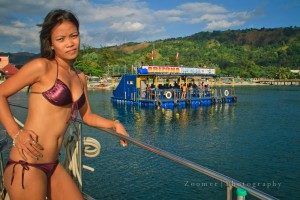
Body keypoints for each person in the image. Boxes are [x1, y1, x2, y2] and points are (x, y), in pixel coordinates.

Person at [0, 9, 129, 200]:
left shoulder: (80, 77)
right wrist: (16, 133)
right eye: (61, 39)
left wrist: (114, 124)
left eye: (74, 36)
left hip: (52, 164)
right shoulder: (41, 67)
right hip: (26, 165)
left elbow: (87, 116)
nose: (70, 43)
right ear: (51, 43)